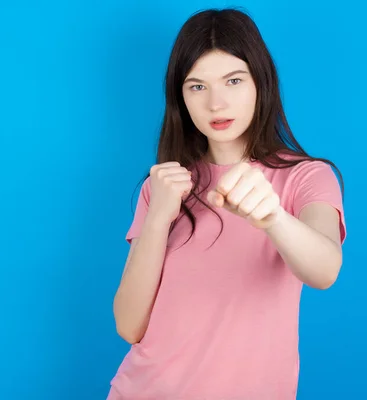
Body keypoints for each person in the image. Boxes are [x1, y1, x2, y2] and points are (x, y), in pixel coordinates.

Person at [107, 7, 347, 400]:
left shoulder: (307, 177)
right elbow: (129, 325)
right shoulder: (163, 187)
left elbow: (324, 270)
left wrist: (272, 217)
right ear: (180, 97)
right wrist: (157, 219)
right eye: (197, 86)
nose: (216, 103)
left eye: (233, 80)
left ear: (260, 83)